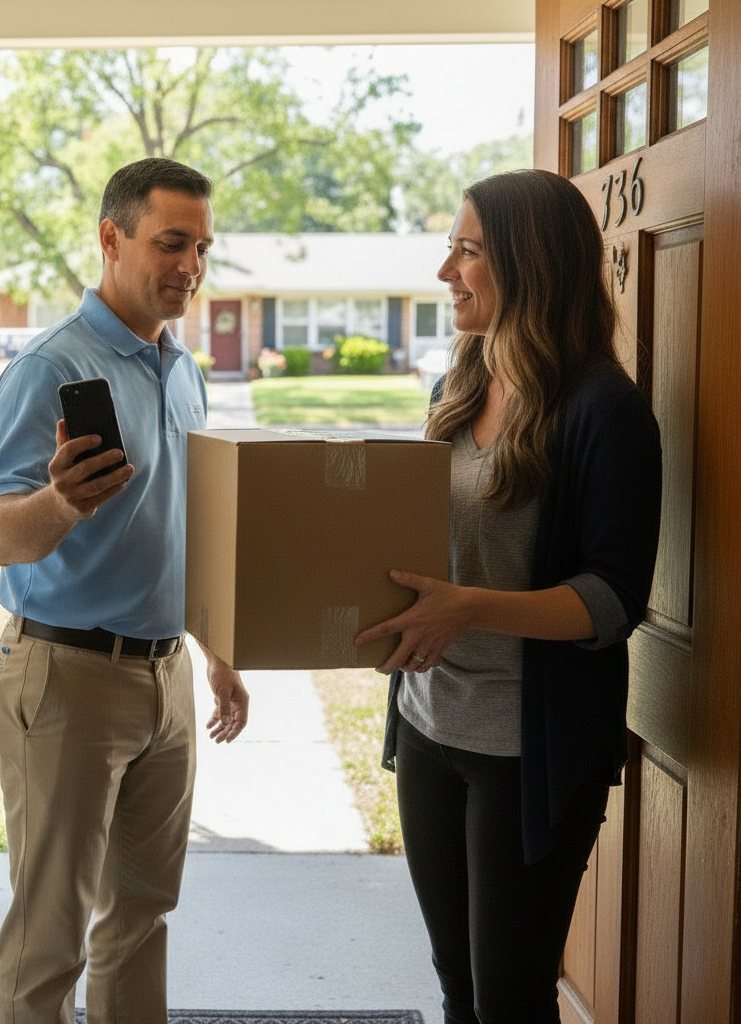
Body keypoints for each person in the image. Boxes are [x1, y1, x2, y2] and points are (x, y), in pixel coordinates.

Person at [355, 169, 662, 1024]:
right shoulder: (457, 383)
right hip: (427, 724)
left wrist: (469, 607)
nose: (446, 269)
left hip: (526, 750)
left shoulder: (607, 412)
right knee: (457, 985)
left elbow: (612, 600)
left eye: (468, 250)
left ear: (529, 263)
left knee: (512, 1001)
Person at [0, 156, 250, 1024]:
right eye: (172, 243)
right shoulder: (48, 367)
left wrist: (218, 652)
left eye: (202, 248)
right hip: (65, 678)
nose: (191, 268)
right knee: (48, 936)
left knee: (141, 917)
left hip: (165, 677)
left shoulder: (185, 369)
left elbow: (187, 528)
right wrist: (60, 500)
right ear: (112, 237)